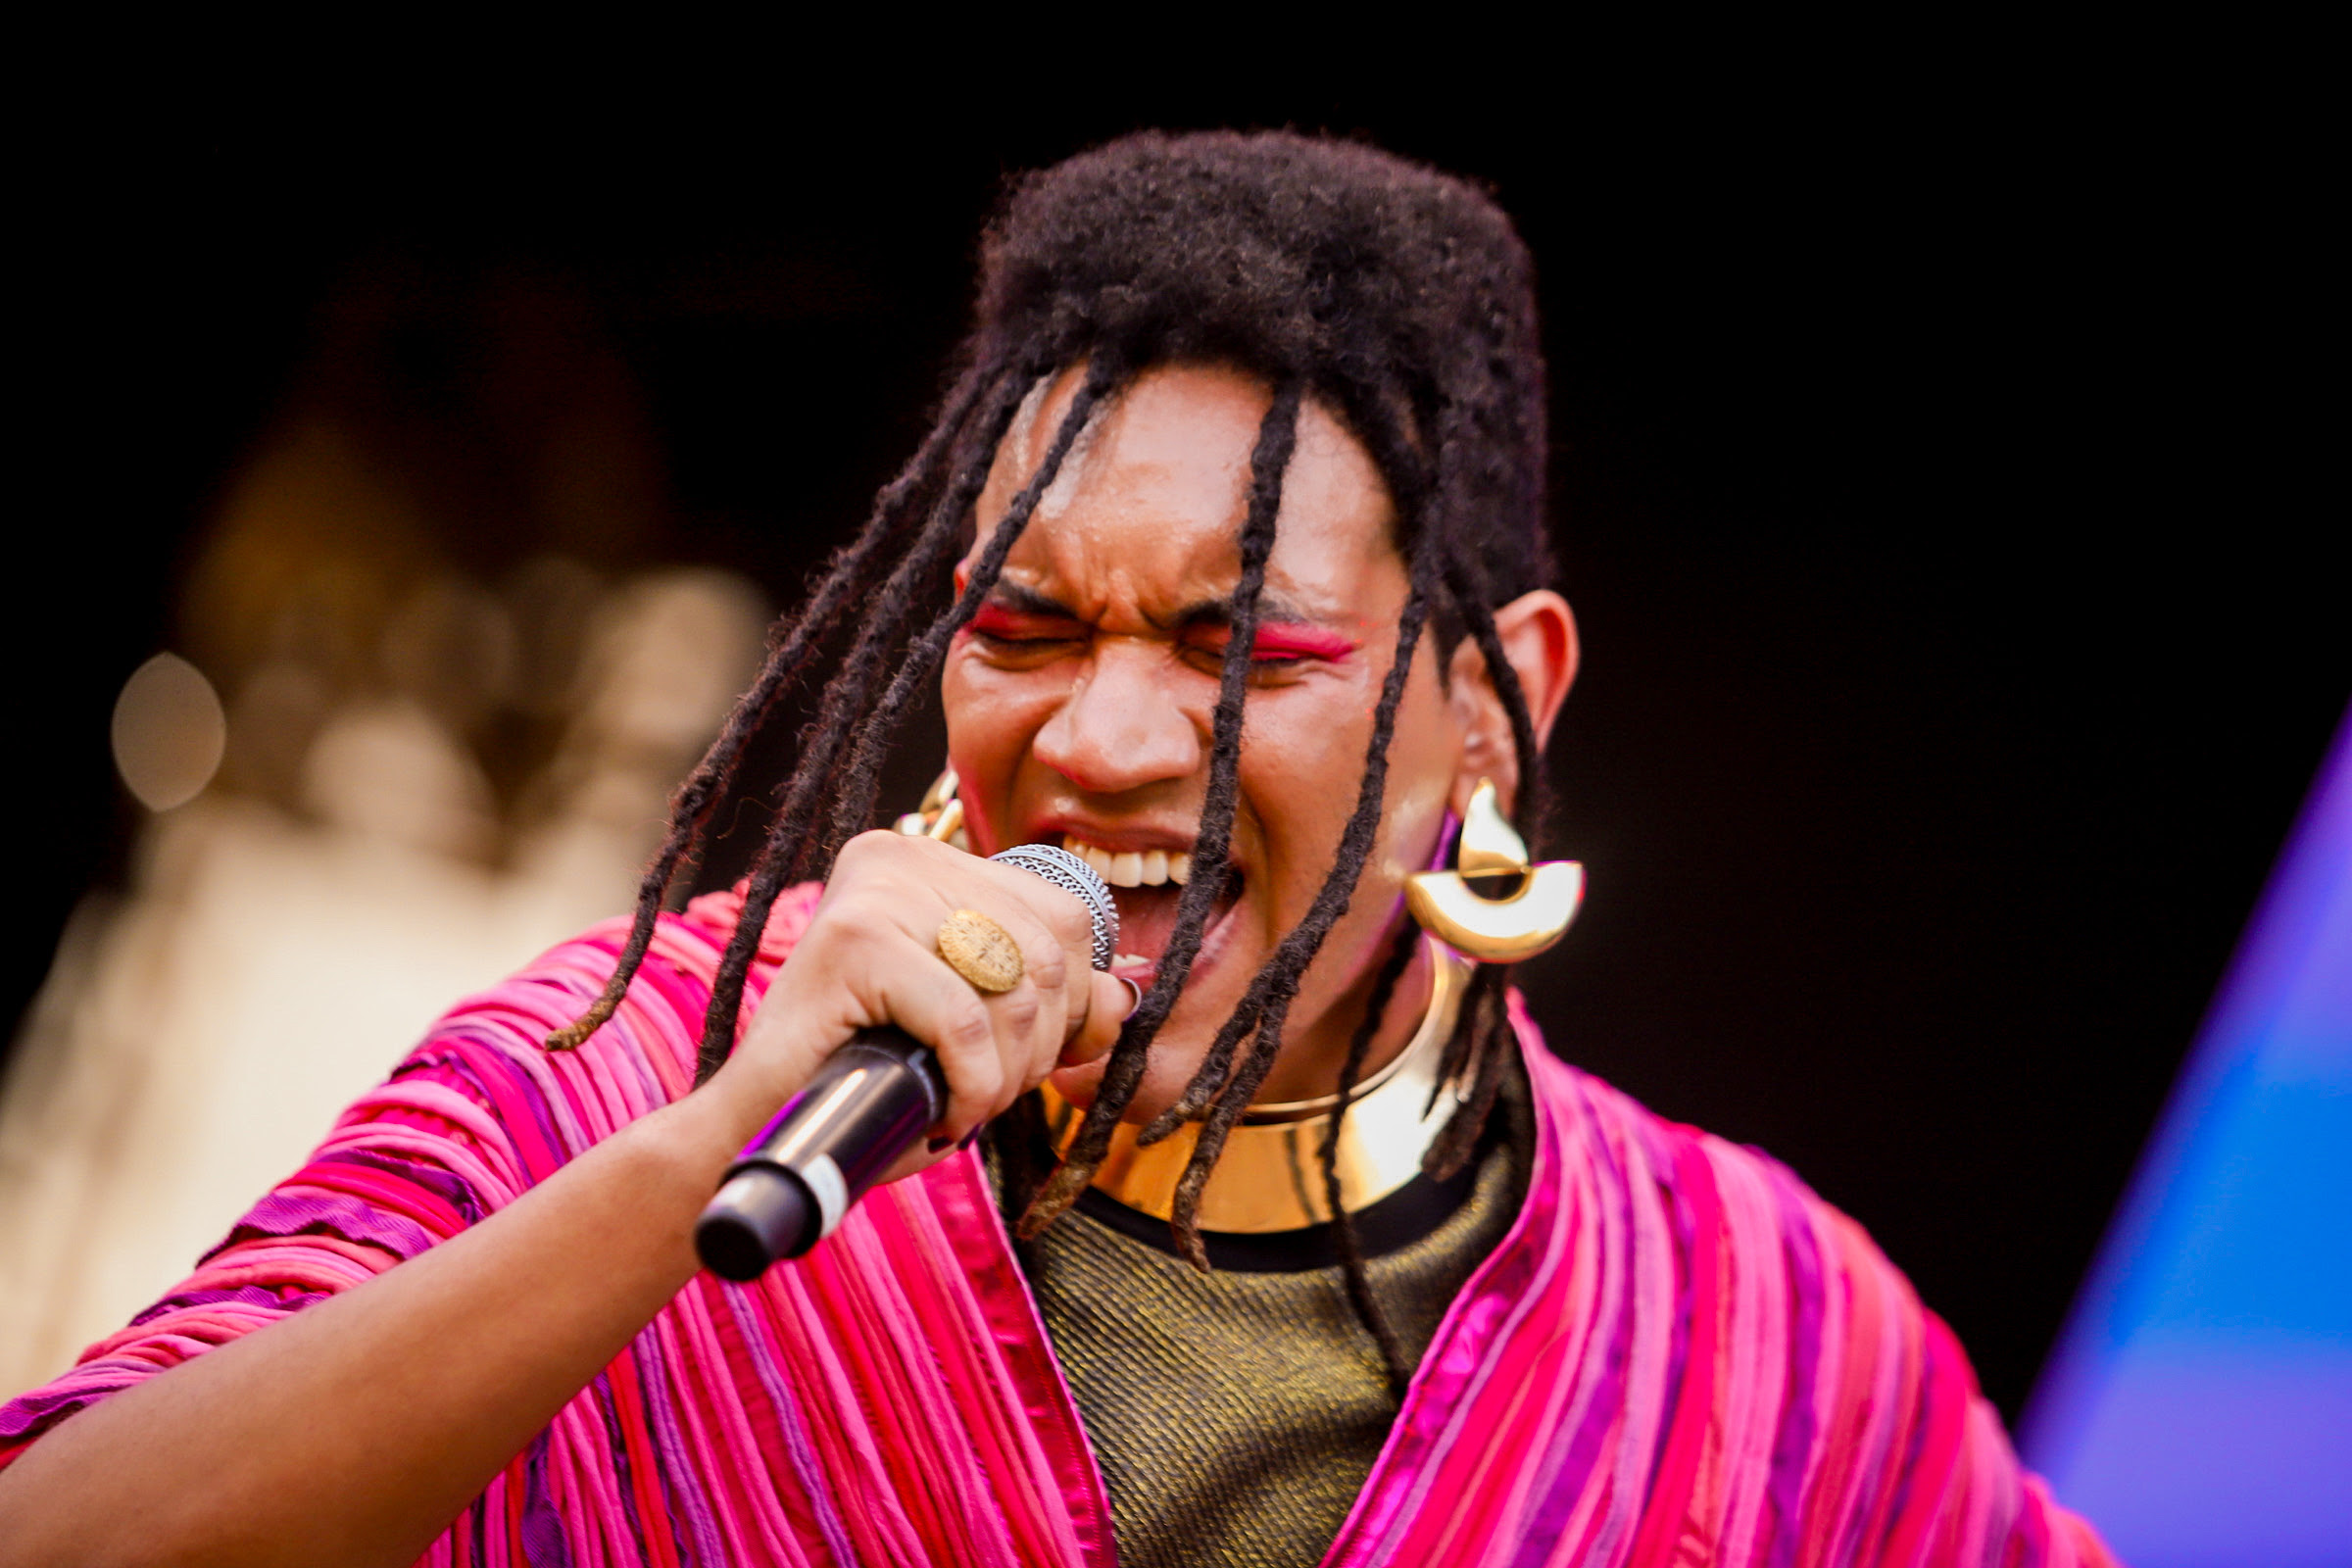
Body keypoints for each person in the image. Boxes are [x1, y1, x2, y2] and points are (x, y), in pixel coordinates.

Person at [0, 131, 2117, 1566]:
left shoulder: (1751, 1334)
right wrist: (691, 1165)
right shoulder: (639, 1070)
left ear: (1495, 699)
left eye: (1236, 646)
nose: (1099, 741)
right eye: (1022, 630)